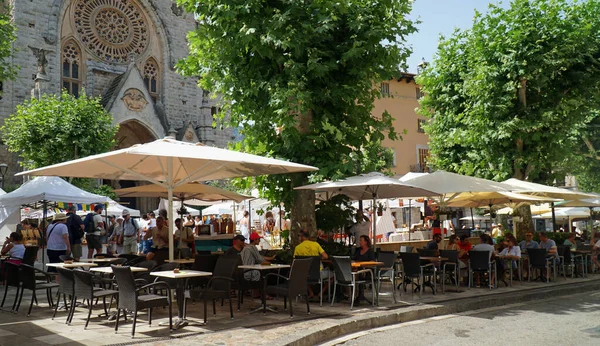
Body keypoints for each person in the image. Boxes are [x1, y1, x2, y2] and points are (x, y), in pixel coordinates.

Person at [294, 229, 331, 299]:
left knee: (302, 275)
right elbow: (326, 256)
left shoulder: (297, 248)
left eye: (299, 236)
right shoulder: (316, 244)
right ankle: (321, 293)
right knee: (333, 275)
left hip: (304, 274)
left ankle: (311, 292)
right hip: (318, 273)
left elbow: (295, 261)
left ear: (301, 236)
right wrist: (318, 258)